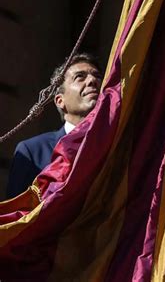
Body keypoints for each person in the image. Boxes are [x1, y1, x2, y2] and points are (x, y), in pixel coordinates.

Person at [6, 53, 102, 198]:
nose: (93, 80)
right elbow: (16, 213)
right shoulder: (32, 152)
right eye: (80, 77)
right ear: (60, 101)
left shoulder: (117, 144)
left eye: (97, 76)